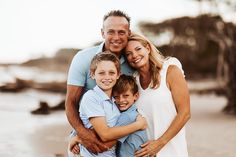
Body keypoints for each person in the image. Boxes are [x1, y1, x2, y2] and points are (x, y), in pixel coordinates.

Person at [65, 10, 133, 155]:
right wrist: (83, 135)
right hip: (85, 141)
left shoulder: (133, 60)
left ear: (129, 33)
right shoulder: (83, 58)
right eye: (111, 32)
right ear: (102, 33)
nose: (116, 37)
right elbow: (70, 102)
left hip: (119, 142)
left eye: (121, 32)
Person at [124, 33, 191, 157]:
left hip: (172, 150)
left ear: (148, 49)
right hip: (144, 153)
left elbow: (185, 113)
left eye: (138, 49)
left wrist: (159, 144)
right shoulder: (133, 82)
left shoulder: (170, 70)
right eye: (128, 54)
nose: (134, 55)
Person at [69, 52, 146, 157]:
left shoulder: (116, 103)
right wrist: (138, 125)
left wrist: (76, 138)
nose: (107, 77)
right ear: (92, 74)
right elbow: (105, 135)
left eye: (111, 73)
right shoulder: (91, 97)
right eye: (101, 73)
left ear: (118, 75)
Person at [112, 74, 148, 157]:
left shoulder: (127, 116)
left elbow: (107, 142)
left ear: (135, 96)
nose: (120, 100)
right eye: (116, 96)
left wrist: (78, 139)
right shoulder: (135, 112)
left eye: (125, 96)